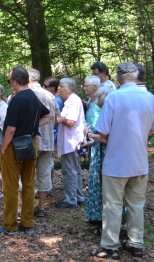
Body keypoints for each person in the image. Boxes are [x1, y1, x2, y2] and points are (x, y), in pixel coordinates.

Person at [90, 62, 154, 259]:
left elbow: (102, 132)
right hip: (139, 161)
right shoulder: (149, 97)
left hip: (116, 162)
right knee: (136, 205)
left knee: (112, 204)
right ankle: (136, 244)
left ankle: (110, 246)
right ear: (137, 75)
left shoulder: (114, 97)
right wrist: (139, 133)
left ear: (120, 77)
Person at [0, 67, 52, 236]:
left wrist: (3, 147)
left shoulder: (16, 100)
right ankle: (27, 223)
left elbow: (10, 129)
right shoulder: (33, 96)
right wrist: (34, 127)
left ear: (16, 82)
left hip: (14, 146)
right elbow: (48, 116)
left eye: (10, 81)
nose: (10, 84)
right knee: (28, 184)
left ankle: (10, 225)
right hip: (31, 143)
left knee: (10, 186)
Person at [81, 82, 113, 233]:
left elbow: (105, 138)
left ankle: (107, 224)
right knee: (100, 186)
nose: (97, 103)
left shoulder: (108, 113)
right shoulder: (110, 112)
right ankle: (99, 218)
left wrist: (87, 134)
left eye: (98, 100)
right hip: (100, 154)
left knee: (106, 189)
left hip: (106, 156)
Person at [28, 69, 60, 218]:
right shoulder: (50, 95)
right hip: (47, 140)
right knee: (45, 174)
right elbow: (57, 117)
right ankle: (41, 207)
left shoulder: (25, 94)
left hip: (30, 140)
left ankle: (26, 208)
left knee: (27, 174)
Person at [55, 78, 86, 209]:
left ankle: (71, 199)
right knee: (75, 170)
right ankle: (78, 196)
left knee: (69, 171)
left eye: (61, 86)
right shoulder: (71, 100)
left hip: (71, 142)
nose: (58, 88)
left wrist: (59, 119)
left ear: (69, 89)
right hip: (71, 141)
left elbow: (70, 121)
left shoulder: (73, 101)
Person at [43, 76, 64, 195]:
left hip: (52, 134)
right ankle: (47, 186)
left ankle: (48, 187)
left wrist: (46, 125)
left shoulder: (57, 100)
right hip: (51, 133)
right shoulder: (54, 98)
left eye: (45, 86)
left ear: (53, 88)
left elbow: (57, 118)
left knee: (48, 161)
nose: (43, 88)